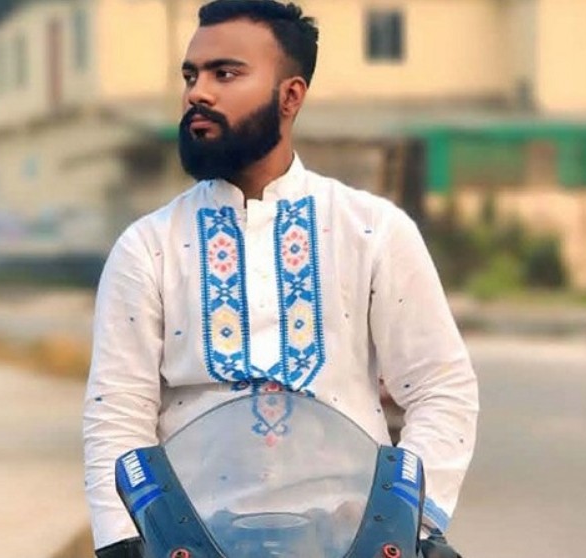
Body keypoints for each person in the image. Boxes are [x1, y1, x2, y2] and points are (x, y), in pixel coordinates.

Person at [83, 1, 479, 557]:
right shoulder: (147, 247)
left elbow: (441, 388)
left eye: (225, 74)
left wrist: (412, 522)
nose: (198, 93)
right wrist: (122, 538)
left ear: (290, 96)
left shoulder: (372, 230)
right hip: (190, 540)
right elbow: (117, 411)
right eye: (191, 76)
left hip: (351, 538)